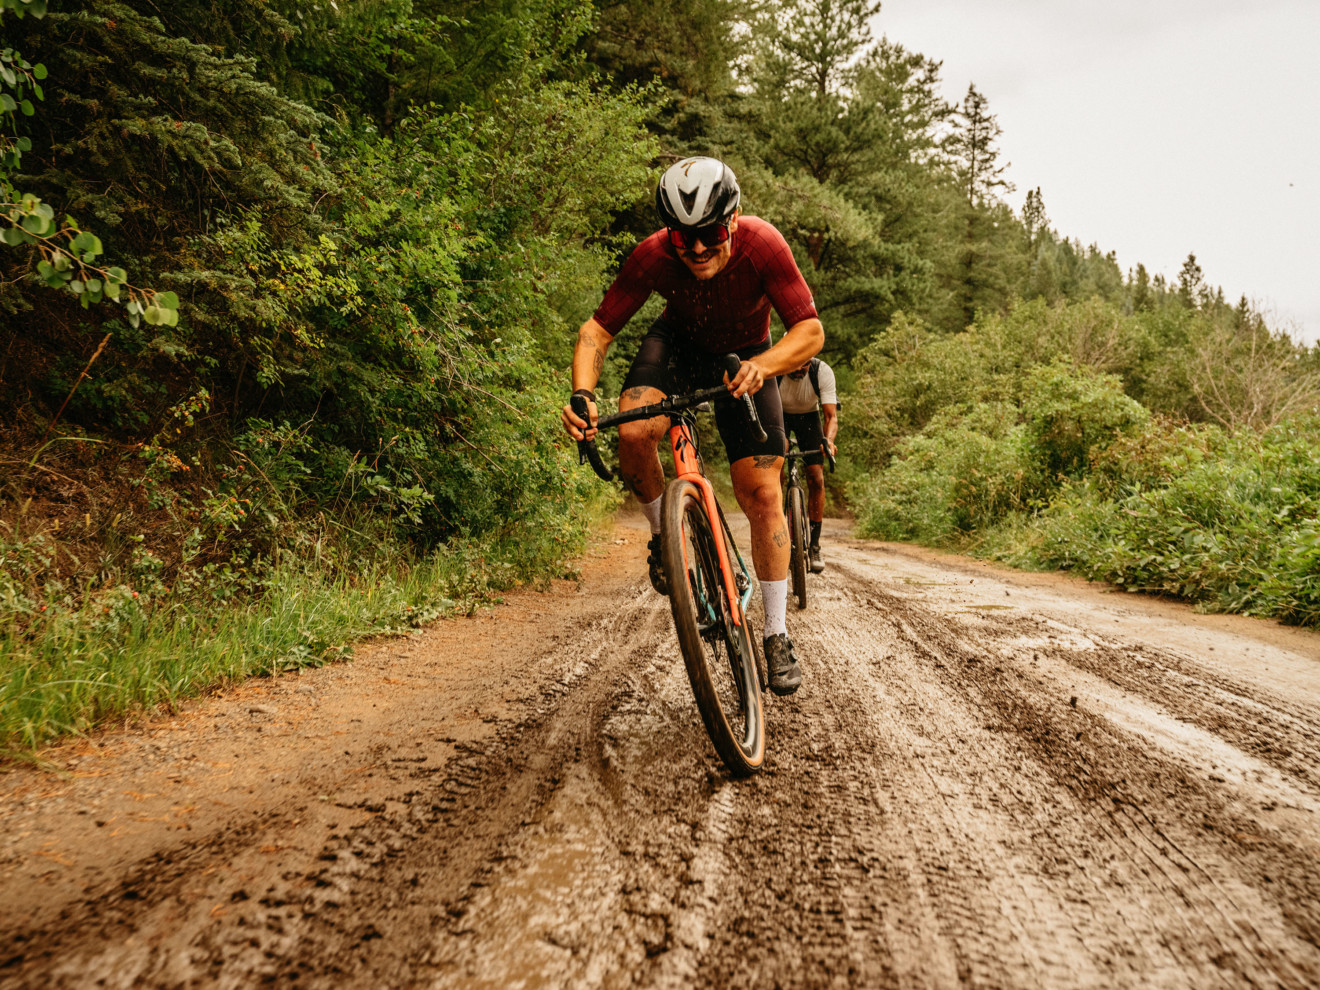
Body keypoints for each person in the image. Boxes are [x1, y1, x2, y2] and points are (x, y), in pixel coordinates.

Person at [560, 156, 824, 696]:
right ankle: (664, 537)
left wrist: (764, 365)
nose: (698, 248)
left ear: (733, 219)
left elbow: (810, 331)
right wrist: (583, 394)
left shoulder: (762, 244)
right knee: (634, 434)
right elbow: (597, 330)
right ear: (669, 234)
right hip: (677, 347)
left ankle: (775, 633)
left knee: (762, 492)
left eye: (710, 233)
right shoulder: (654, 254)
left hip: (746, 358)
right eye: (683, 238)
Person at [779, 357, 838, 573]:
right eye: (795, 364)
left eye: (804, 365)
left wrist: (828, 441)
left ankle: (814, 546)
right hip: (779, 416)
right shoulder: (777, 368)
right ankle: (779, 534)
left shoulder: (821, 371)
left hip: (809, 419)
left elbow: (831, 416)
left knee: (816, 477)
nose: (799, 369)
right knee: (776, 469)